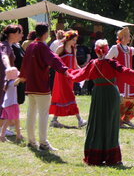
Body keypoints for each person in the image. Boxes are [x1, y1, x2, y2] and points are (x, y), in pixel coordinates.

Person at [68, 39, 134, 166]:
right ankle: (112, 157)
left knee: (97, 123)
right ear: (107, 50)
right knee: (111, 124)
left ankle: (94, 156)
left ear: (96, 51)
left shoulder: (92, 64)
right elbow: (126, 72)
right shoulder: (112, 63)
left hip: (98, 94)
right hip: (111, 94)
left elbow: (79, 75)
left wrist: (67, 72)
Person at [20, 23, 69, 151]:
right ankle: (43, 143)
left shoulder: (31, 46)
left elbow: (25, 63)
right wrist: (64, 70)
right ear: (45, 33)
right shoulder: (42, 46)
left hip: (30, 84)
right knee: (43, 114)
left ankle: (31, 141)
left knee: (31, 112)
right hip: (41, 85)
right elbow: (54, 59)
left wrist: (23, 76)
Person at [49, 30, 87, 128]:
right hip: (61, 77)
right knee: (70, 96)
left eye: (76, 40)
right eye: (74, 40)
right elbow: (53, 61)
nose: (75, 42)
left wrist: (83, 72)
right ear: (68, 39)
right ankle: (80, 120)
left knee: (63, 96)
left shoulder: (74, 49)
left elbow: (75, 64)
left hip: (70, 77)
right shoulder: (60, 49)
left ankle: (54, 120)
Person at [0, 25, 22, 110]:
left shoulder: (9, 46)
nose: (21, 35)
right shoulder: (4, 46)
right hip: (2, 79)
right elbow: (4, 56)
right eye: (19, 33)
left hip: (6, 80)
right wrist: (9, 67)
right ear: (12, 35)